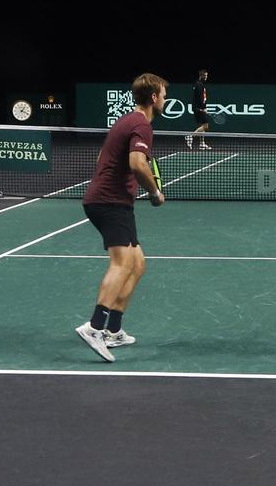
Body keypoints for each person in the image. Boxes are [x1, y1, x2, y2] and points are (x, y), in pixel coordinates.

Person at [76, 73, 167, 363]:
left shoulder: (126, 120)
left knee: (137, 264)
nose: (165, 99)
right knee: (123, 262)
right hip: (109, 202)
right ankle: (94, 327)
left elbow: (103, 156)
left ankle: (113, 330)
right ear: (153, 97)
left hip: (113, 202)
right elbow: (137, 163)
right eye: (163, 95)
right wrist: (154, 192)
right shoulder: (142, 123)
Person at [184, 69, 214, 150]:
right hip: (199, 109)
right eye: (205, 76)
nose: (206, 77)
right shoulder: (199, 85)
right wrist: (203, 108)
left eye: (207, 76)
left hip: (198, 108)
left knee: (202, 125)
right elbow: (199, 98)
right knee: (205, 126)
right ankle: (190, 136)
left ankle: (202, 143)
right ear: (201, 76)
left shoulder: (199, 84)